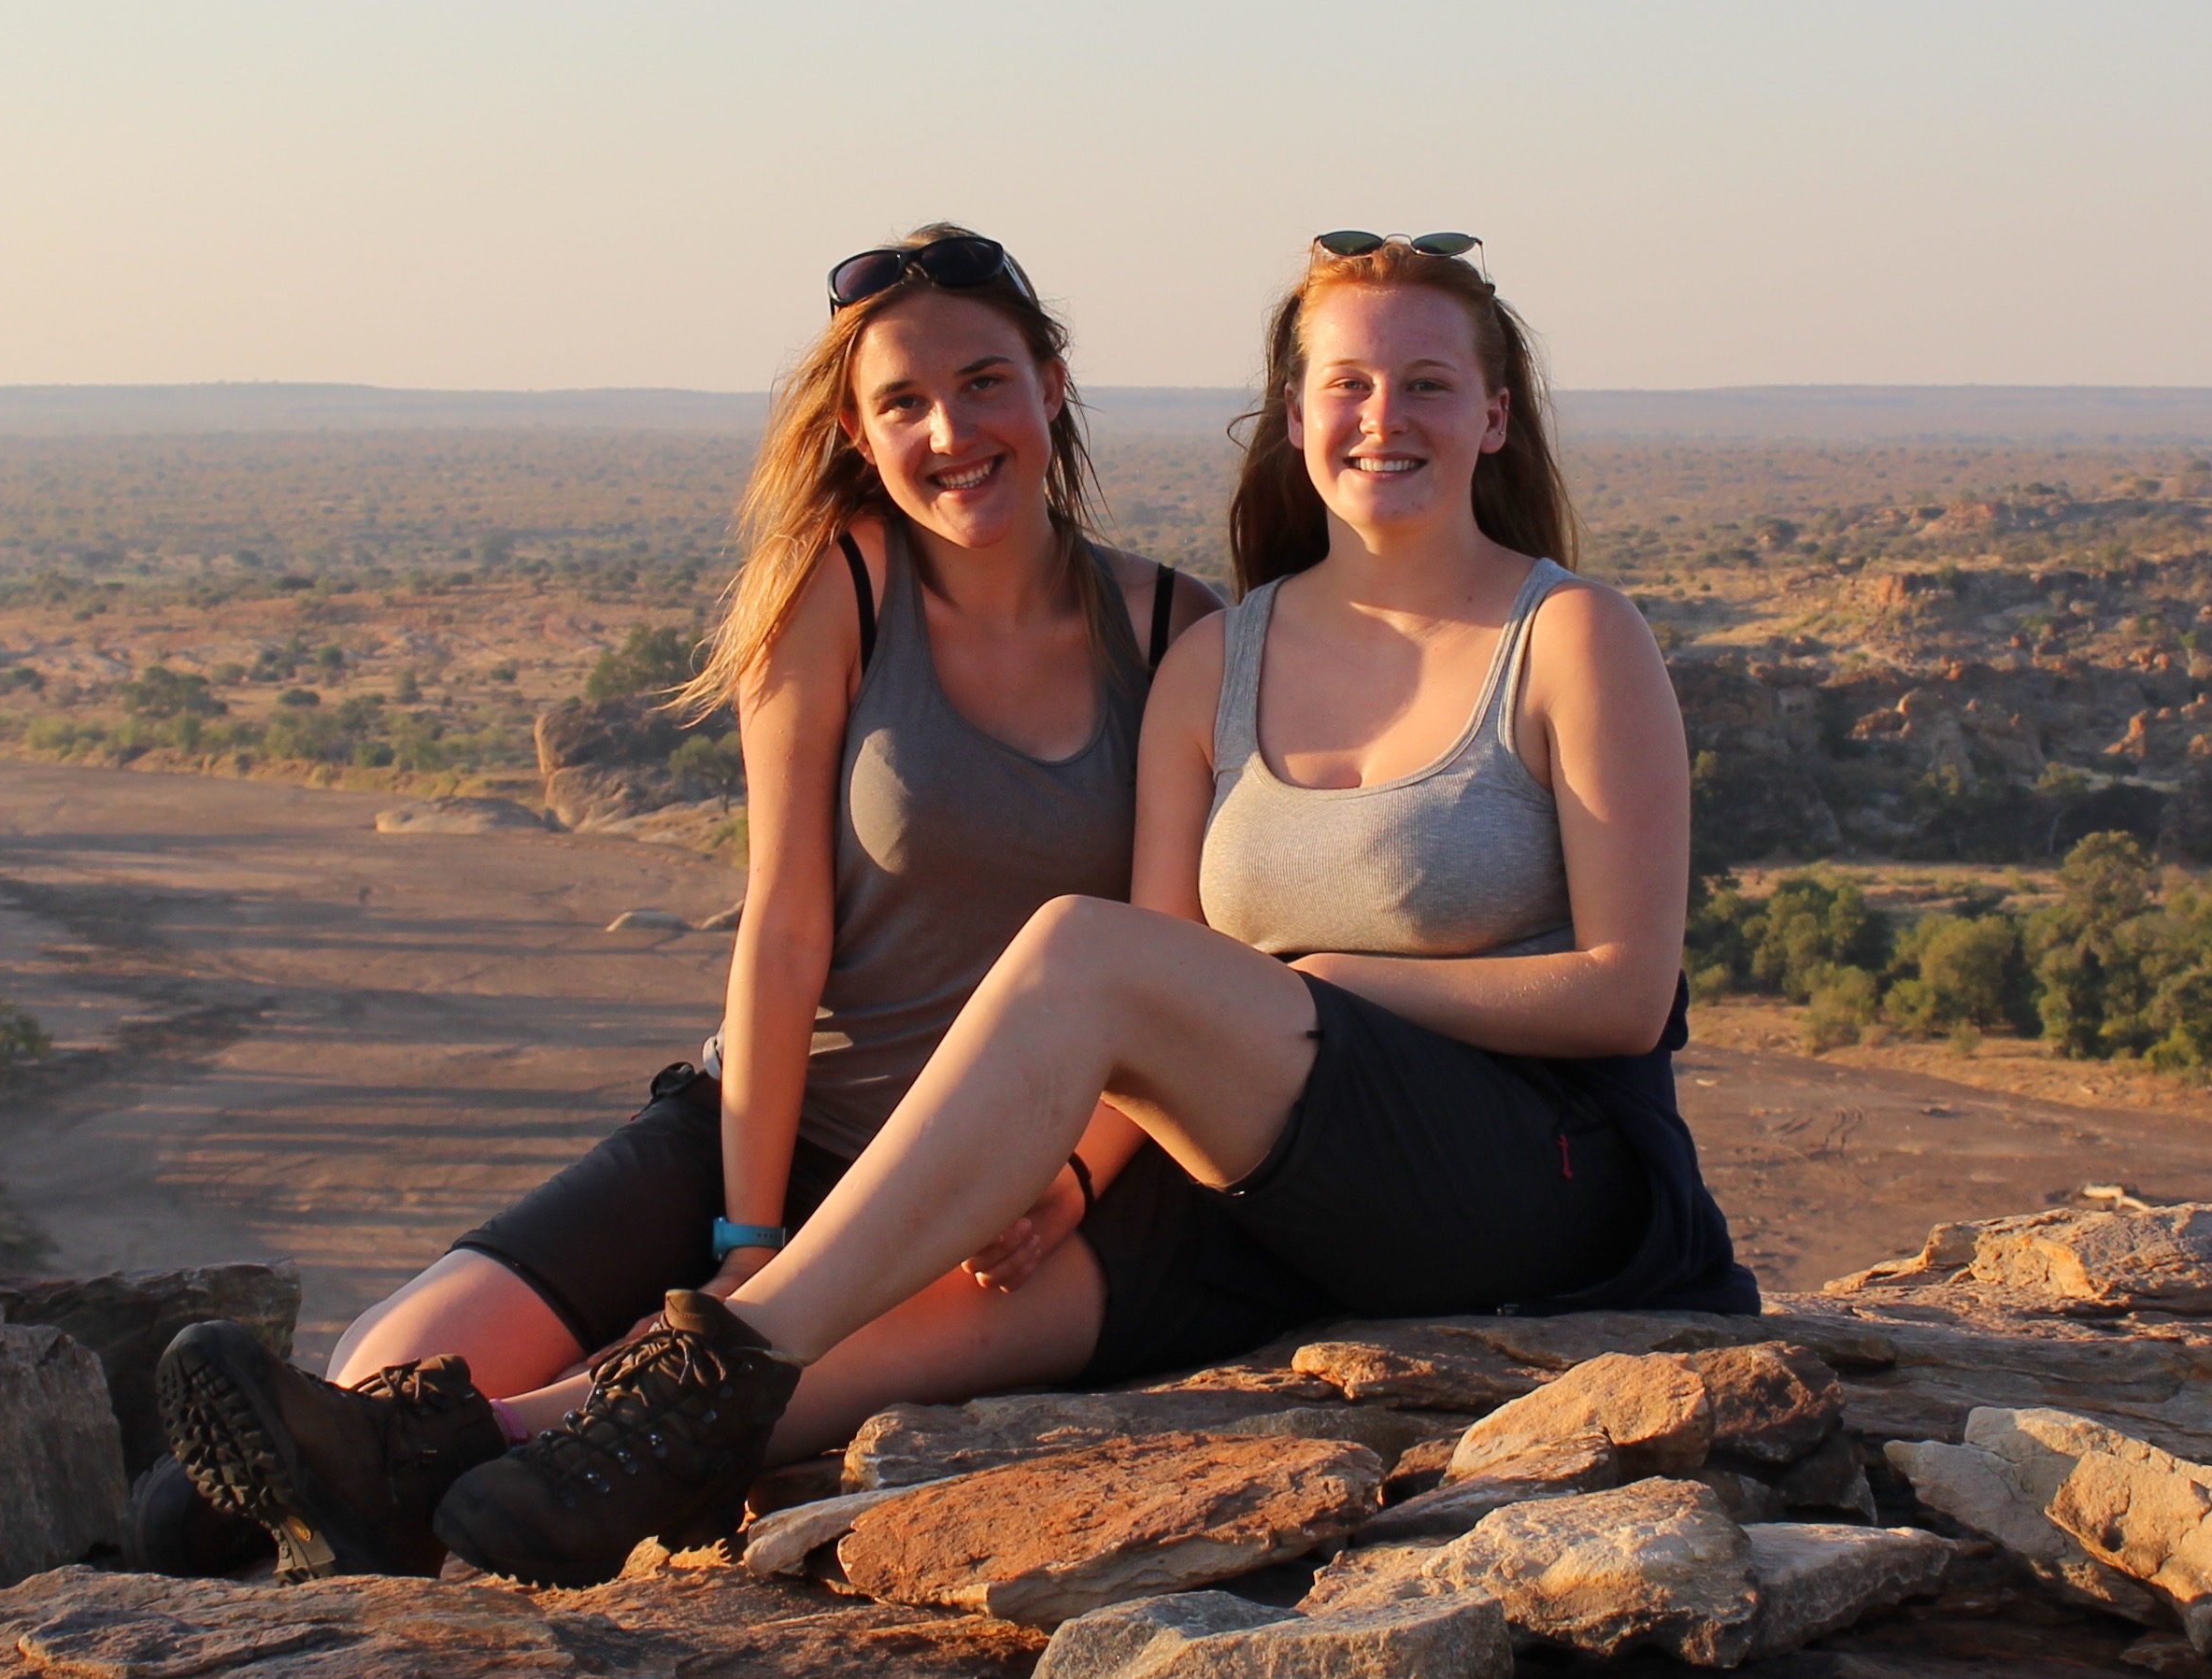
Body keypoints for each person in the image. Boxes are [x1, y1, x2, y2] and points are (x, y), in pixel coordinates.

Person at [428, 230, 1749, 1589]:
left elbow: (1623, 993)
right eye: (1347, 385)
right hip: (1271, 1184)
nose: (1383, 419)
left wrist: (1328, 980)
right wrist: (1065, 1181)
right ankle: (497, 1444)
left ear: (1493, 414)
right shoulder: (1216, 659)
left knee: (1076, 944)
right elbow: (1166, 1003)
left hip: (1540, 1182)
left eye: (1425, 384)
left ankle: (730, 1349)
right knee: (973, 1305)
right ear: (1294, 416)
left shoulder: (1573, 636)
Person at [155, 224, 1206, 1576]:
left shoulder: (1180, 632)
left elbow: (1173, 960)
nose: (953, 429)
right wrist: (750, 1232)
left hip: (1006, 1178)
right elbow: (782, 929)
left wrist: (1065, 1183)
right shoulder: (841, 587)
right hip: (780, 1121)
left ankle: (305, 1499)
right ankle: (309, 1472)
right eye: (904, 402)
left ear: (1051, 385)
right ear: (856, 427)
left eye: (986, 382)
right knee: (391, 1357)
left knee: (638, 1398)